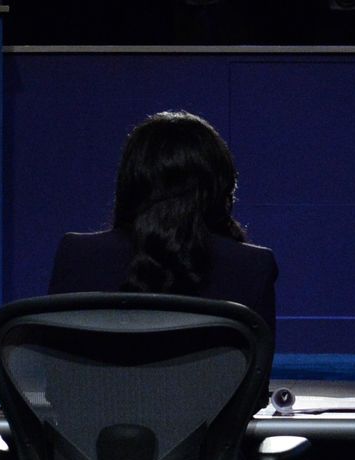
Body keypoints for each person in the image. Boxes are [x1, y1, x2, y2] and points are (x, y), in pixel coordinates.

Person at [48, 110, 278, 335]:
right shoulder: (253, 266)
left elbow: (54, 359)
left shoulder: (76, 255)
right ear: (221, 186)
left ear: (130, 181)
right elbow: (258, 369)